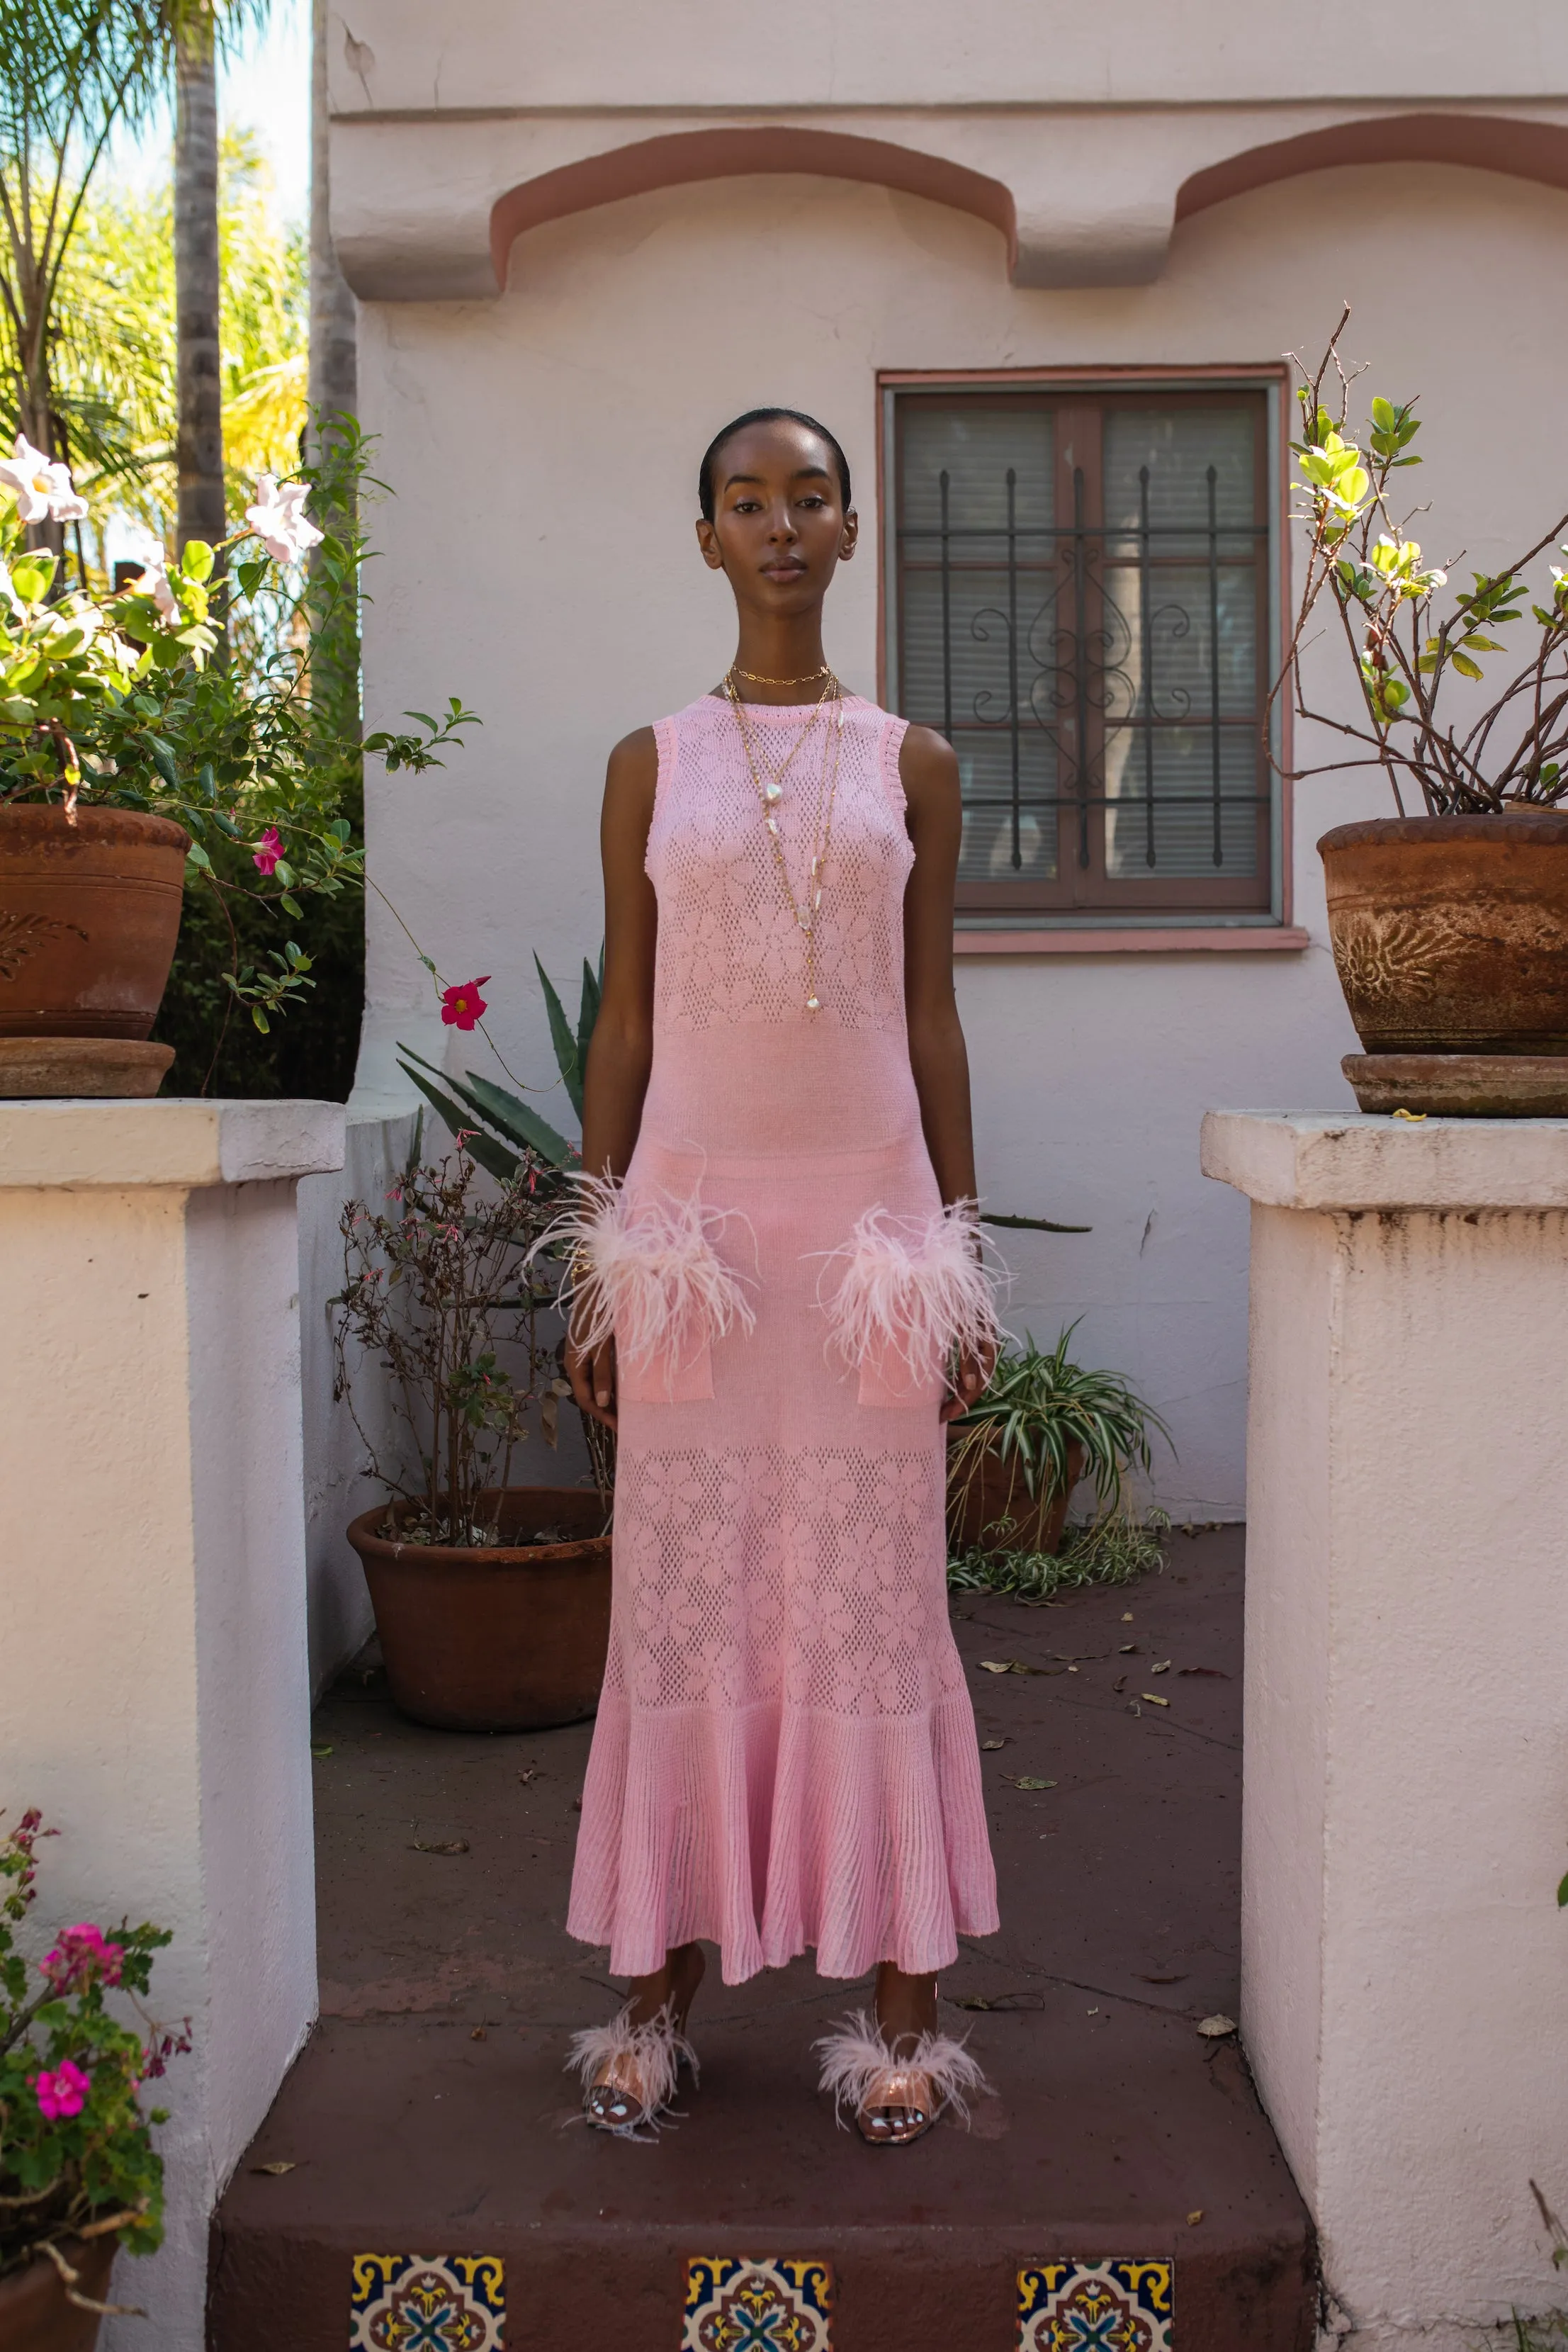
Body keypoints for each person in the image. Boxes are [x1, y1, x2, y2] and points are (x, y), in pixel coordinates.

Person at [559, 407, 1000, 2147]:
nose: (780, 526)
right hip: (696, 1247)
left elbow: (933, 1014)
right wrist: (599, 1253)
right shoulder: (645, 761)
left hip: (865, 1249)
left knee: (874, 1597)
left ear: (851, 523)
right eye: (745, 501)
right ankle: (659, 1989)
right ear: (705, 537)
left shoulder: (915, 764)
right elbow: (627, 1017)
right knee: (684, 1594)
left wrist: (952, 1254)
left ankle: (903, 2005)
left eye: (808, 496)